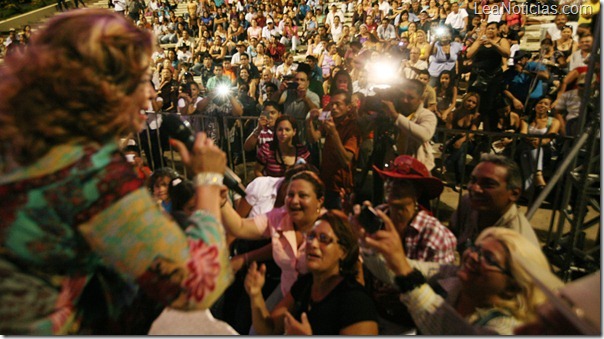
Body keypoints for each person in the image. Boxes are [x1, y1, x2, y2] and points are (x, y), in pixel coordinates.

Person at [0, 10, 232, 334]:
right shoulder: (87, 170)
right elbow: (195, 283)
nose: (151, 94)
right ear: (104, 87)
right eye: (140, 81)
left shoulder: (23, 138)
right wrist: (207, 181)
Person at [363, 225, 550, 334]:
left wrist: (405, 273)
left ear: (513, 285)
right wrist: (366, 243)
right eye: (475, 248)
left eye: (489, 258)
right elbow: (398, 269)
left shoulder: (504, 327)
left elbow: (446, 326)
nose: (473, 257)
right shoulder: (456, 276)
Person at [244, 210, 379, 335]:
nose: (313, 244)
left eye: (323, 239)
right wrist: (255, 296)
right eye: (311, 236)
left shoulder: (356, 302)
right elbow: (269, 329)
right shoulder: (306, 283)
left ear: (343, 252)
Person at [219, 171, 327, 307]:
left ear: (319, 200)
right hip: (288, 293)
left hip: (322, 300)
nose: (294, 201)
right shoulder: (279, 218)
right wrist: (222, 202)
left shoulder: (331, 227)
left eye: (302, 195)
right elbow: (239, 227)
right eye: (290, 195)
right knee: (257, 328)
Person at [449, 154, 540, 252]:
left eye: (488, 184)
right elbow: (450, 236)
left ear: (514, 194)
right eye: (473, 180)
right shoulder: (468, 202)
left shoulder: (519, 244)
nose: (475, 188)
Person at [306, 89, 361, 210]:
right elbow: (314, 138)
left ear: (348, 107)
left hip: (340, 187)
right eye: (331, 104)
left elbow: (346, 161)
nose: (334, 107)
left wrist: (334, 133)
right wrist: (309, 121)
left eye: (338, 104)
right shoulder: (330, 120)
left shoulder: (353, 127)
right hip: (325, 182)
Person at [466, 21, 510, 131]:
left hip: (492, 79)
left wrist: (493, 43)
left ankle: (487, 133)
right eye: (488, 28)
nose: (490, 30)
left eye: (493, 28)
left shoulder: (501, 41)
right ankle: (470, 130)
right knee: (473, 103)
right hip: (477, 77)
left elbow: (507, 54)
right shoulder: (480, 40)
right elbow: (469, 54)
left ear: (498, 30)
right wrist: (479, 42)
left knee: (488, 107)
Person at [518, 97, 560, 192]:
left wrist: (540, 142)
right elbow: (523, 133)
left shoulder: (554, 121)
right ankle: (536, 182)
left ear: (549, 108)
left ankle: (536, 177)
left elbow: (550, 137)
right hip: (528, 146)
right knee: (526, 152)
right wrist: (532, 140)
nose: (542, 105)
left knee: (531, 150)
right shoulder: (526, 119)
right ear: (535, 105)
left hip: (546, 150)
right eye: (540, 103)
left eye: (546, 104)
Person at [443, 92, 480, 189]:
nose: (470, 104)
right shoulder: (454, 114)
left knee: (462, 145)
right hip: (454, 140)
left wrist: (462, 139)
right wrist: (459, 135)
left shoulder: (475, 116)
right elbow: (449, 131)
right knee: (461, 155)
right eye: (469, 101)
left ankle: (446, 164)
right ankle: (459, 182)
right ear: (464, 100)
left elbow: (472, 133)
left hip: (469, 142)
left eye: (474, 102)